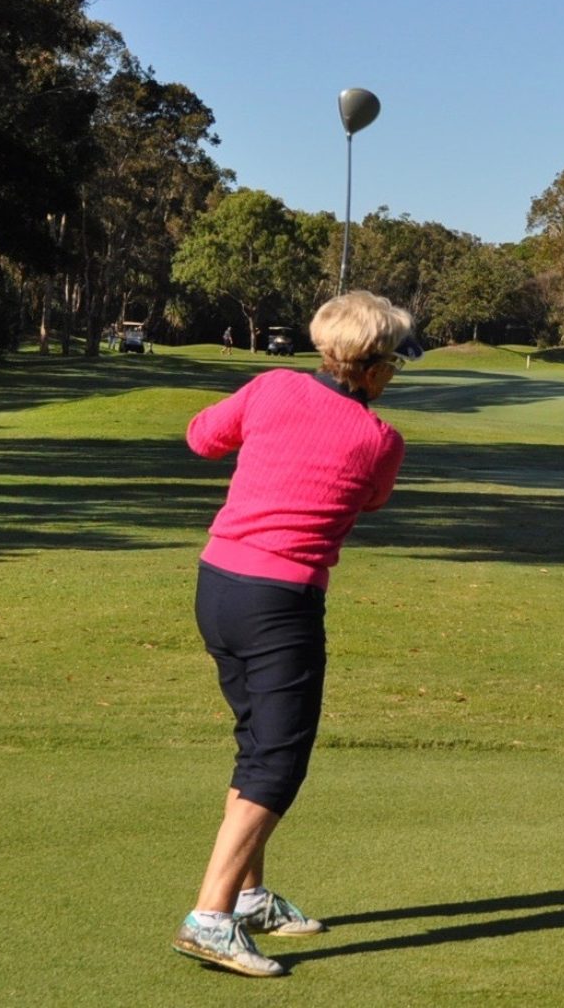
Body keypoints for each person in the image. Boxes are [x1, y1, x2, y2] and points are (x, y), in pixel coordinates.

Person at [171, 290, 423, 978]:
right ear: (373, 367)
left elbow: (201, 437)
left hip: (217, 586)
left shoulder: (272, 386)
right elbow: (373, 498)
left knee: (257, 744)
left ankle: (247, 897)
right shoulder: (381, 440)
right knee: (278, 763)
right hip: (279, 603)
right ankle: (209, 919)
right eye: (394, 361)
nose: (394, 372)